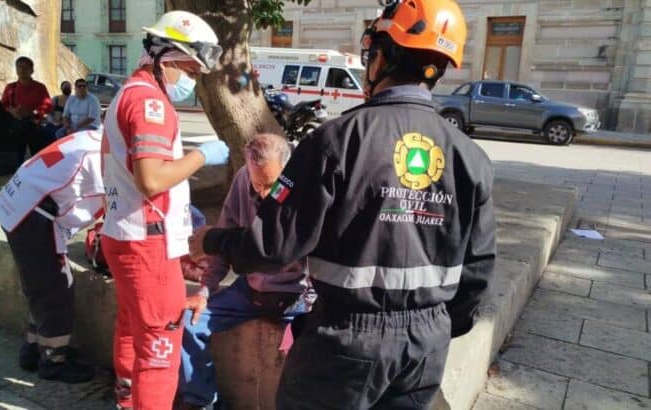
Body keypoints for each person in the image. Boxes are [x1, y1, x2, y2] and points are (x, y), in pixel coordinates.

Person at [189, 0, 496, 408]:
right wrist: (432, 328)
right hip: (426, 346)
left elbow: (272, 247)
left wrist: (213, 239)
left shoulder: (334, 141)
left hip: (345, 338)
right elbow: (477, 274)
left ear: (382, 56)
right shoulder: (471, 158)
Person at [101, 10, 228, 410]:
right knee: (160, 348)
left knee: (131, 327)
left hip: (124, 235)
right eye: (190, 68)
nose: (191, 78)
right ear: (169, 58)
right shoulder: (149, 103)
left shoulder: (128, 92)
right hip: (147, 244)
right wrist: (201, 155)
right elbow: (152, 179)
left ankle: (125, 400)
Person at [178, 133, 315, 410]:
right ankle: (199, 399)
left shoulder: (305, 185)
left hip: (296, 296)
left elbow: (318, 260)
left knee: (313, 353)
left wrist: (310, 308)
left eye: (271, 185)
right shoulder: (243, 180)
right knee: (188, 320)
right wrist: (205, 291)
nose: (264, 193)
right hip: (248, 291)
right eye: (258, 184)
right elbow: (224, 241)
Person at [0, 129, 104, 384]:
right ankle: (54, 360)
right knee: (57, 288)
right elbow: (121, 201)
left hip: (18, 205)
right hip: (35, 215)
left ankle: (33, 347)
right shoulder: (102, 155)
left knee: (38, 284)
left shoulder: (91, 137)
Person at [1, 56, 53, 161]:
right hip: (16, 126)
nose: (22, 70)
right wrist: (12, 111)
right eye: (19, 67)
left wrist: (32, 112)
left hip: (34, 126)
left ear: (32, 70)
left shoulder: (40, 87)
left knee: (37, 158)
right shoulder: (10, 88)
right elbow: (3, 105)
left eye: (25, 67)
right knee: (16, 157)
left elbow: (48, 106)